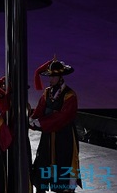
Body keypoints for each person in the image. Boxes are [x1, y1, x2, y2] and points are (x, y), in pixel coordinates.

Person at [29, 57, 82, 193]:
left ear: (60, 77)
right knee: (43, 162)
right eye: (50, 76)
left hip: (64, 136)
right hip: (48, 136)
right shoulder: (47, 92)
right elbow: (40, 109)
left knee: (63, 163)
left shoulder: (70, 95)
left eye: (53, 76)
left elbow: (63, 117)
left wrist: (41, 122)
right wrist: (32, 119)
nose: (50, 79)